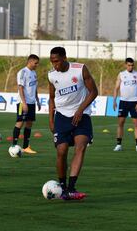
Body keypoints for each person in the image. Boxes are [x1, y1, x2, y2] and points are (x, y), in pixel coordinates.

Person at [48, 47, 98, 200]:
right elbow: (51, 97)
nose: (54, 65)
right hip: (62, 116)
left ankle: (71, 188)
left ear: (64, 57)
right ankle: (62, 187)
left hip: (81, 116)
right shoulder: (51, 75)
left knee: (80, 147)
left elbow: (94, 91)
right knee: (61, 151)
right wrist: (51, 119)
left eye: (56, 61)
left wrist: (80, 110)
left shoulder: (80, 69)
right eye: (52, 62)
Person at [11, 54, 41, 154]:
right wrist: (24, 103)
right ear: (30, 61)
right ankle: (13, 146)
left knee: (29, 123)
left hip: (32, 102)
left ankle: (26, 147)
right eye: (36, 63)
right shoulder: (23, 72)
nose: (37, 65)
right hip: (23, 102)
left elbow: (35, 88)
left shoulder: (34, 73)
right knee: (20, 122)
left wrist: (37, 100)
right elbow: (20, 88)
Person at [112, 58, 137, 152]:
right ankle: (119, 145)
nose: (131, 67)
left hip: (134, 102)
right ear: (126, 65)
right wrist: (114, 100)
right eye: (129, 65)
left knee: (136, 124)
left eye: (132, 65)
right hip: (123, 102)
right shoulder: (121, 74)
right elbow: (116, 88)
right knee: (120, 123)